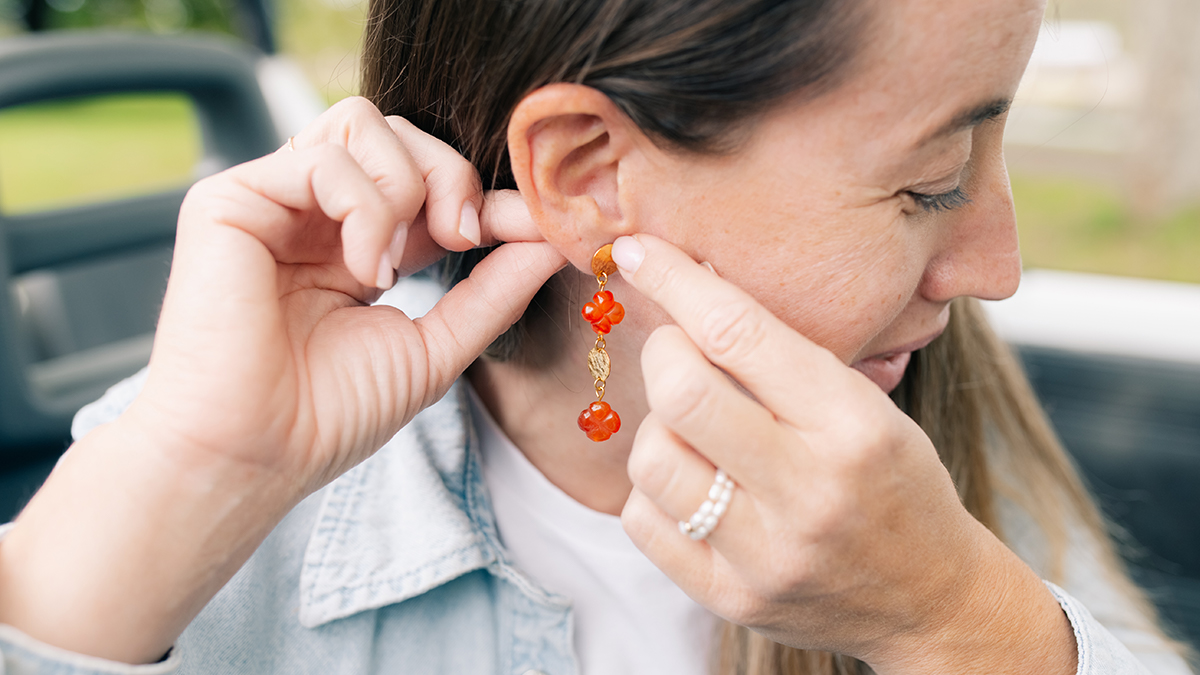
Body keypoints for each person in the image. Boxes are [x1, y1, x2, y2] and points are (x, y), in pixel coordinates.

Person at [0, 0, 1192, 673]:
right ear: (588, 178)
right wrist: (192, 473)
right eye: (930, 180)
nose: (997, 269)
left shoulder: (932, 431)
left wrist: (958, 622)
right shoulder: (222, 481)